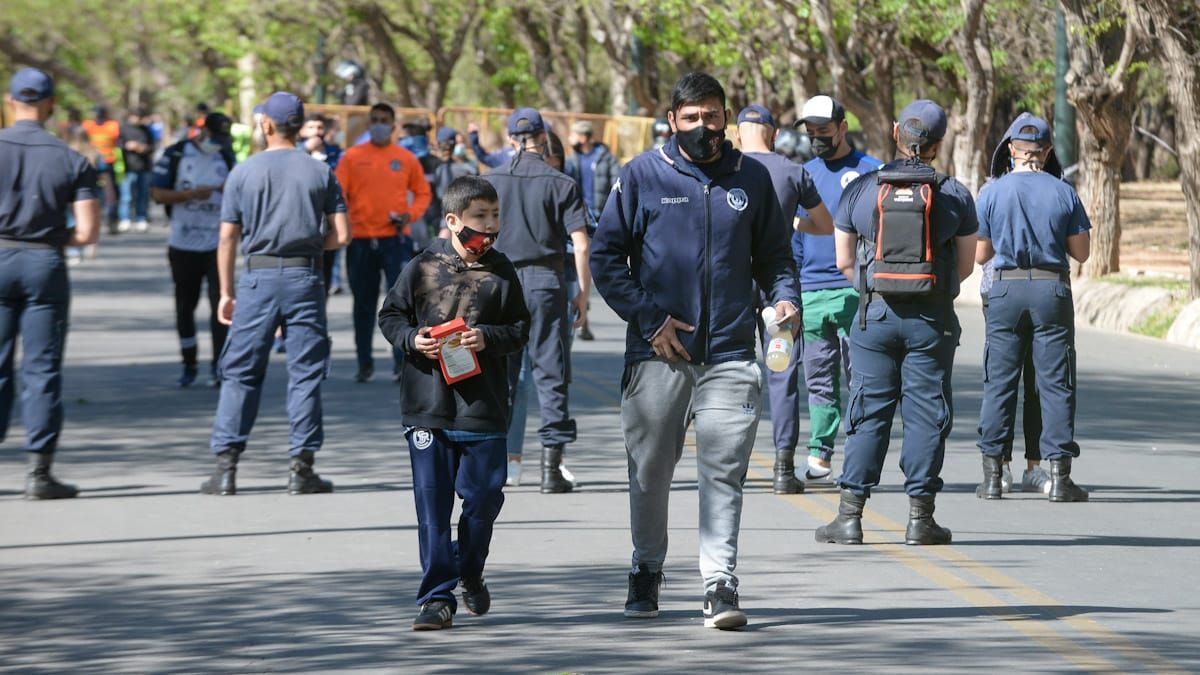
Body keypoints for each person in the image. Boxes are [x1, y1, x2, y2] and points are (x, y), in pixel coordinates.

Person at [591, 73, 800, 629]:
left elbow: (777, 256)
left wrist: (784, 301)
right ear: (672, 121)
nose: (703, 128)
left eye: (712, 116)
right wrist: (650, 319)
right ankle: (646, 567)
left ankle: (720, 584)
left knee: (723, 471)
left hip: (731, 352)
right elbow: (607, 259)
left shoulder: (751, 178)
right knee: (651, 469)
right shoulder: (640, 175)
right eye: (692, 118)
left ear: (726, 118)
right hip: (659, 354)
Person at [815, 99, 976, 546]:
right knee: (926, 415)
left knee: (868, 413)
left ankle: (849, 517)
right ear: (939, 144)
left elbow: (844, 261)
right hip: (932, 319)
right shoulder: (955, 195)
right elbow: (965, 266)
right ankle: (920, 519)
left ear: (894, 132)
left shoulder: (862, 190)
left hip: (874, 315)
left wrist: (874, 289)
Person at [378, 175, 530, 631]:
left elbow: (521, 327)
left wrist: (487, 337)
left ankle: (471, 570)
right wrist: (411, 339)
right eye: (479, 217)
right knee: (432, 508)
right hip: (427, 406)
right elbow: (391, 315)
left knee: (483, 499)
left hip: (482, 408)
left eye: (495, 216)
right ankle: (436, 597)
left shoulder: (503, 271)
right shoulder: (422, 266)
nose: (489, 226)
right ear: (452, 221)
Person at [201, 92, 350, 496]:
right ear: (300, 126)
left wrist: (225, 292)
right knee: (305, 374)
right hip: (304, 278)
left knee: (241, 372)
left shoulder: (244, 172)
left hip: (257, 279)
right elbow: (341, 235)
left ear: (266, 125)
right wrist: (304, 244)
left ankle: (227, 467)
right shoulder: (321, 172)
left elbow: (227, 238)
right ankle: (301, 468)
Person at [975, 112, 1091, 503]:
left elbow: (980, 255)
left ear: (1011, 149)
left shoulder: (993, 191)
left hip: (1005, 292)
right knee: (1054, 383)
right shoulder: (1063, 191)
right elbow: (1082, 252)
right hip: (1050, 289)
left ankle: (993, 475)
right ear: (1046, 151)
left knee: (999, 382)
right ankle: (1058, 476)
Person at [0, 68, 101, 499]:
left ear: (9, 102)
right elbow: (87, 232)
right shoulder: (72, 159)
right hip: (44, 262)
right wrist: (52, 237)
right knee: (42, 369)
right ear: (50, 105)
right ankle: (39, 473)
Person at [483, 108, 590, 494]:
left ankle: (495, 462)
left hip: (499, 282)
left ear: (511, 139)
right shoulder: (560, 182)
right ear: (544, 137)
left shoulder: (489, 181)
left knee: (499, 375)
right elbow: (581, 243)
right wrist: (583, 292)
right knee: (551, 372)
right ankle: (551, 466)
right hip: (546, 281)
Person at [734, 104, 833, 494]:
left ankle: (734, 466)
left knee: (732, 371)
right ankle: (782, 468)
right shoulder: (794, 171)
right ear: (774, 135)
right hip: (780, 288)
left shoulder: (728, 170)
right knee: (782, 372)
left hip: (735, 286)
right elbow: (824, 225)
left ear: (738, 134)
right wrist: (792, 221)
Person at [794, 95, 884, 482]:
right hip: (811, 291)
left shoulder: (872, 171)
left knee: (859, 375)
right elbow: (794, 234)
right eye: (811, 133)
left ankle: (860, 452)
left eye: (824, 132)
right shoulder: (802, 173)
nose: (817, 139)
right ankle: (820, 452)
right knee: (818, 377)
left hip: (855, 291)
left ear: (843, 128)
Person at [336, 102, 432, 383]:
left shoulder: (405, 158)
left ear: (393, 125)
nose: (379, 124)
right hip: (362, 242)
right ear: (369, 124)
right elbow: (338, 195)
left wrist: (409, 215)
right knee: (362, 305)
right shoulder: (352, 157)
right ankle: (364, 364)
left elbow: (423, 193)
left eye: (384, 120)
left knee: (400, 305)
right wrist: (345, 227)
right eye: (374, 119)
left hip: (395, 241)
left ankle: (401, 364)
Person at [150, 112, 238, 388]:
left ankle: (219, 366)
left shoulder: (225, 156)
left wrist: (230, 190)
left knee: (221, 306)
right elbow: (157, 193)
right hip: (183, 242)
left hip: (217, 245)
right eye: (215, 137)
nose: (220, 143)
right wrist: (189, 195)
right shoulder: (176, 154)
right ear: (202, 133)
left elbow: (241, 192)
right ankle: (189, 363)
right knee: (185, 306)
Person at [298, 114, 346, 295]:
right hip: (300, 223)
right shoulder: (295, 152)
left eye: (319, 127)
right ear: (302, 130)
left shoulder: (336, 153)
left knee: (324, 274)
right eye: (311, 127)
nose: (316, 132)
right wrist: (304, 150)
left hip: (327, 223)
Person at [82, 104, 121, 233]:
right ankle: (92, 220)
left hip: (107, 163)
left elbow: (117, 141)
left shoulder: (112, 126)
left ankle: (112, 219)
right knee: (90, 191)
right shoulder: (88, 125)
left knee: (110, 192)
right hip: (91, 163)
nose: (96, 117)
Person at [117, 106, 155, 233]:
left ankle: (141, 218)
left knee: (143, 195)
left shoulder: (146, 130)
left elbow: (152, 147)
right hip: (127, 168)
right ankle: (124, 219)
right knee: (126, 196)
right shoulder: (123, 129)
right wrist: (127, 146)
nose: (138, 120)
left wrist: (143, 148)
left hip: (144, 167)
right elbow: (117, 145)